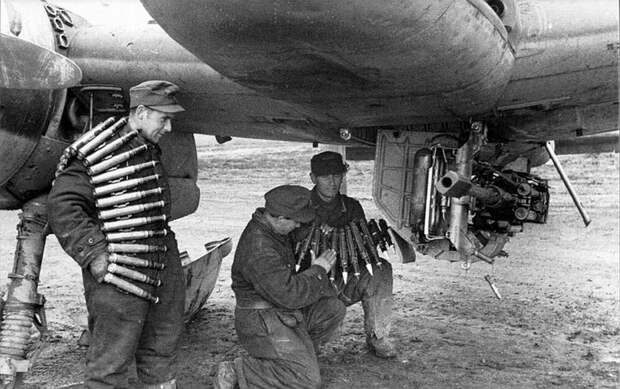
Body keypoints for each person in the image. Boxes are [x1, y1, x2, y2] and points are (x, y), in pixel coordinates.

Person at [48, 80, 186, 388]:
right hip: (119, 268)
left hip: (160, 260)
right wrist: (94, 253)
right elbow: (63, 204)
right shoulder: (97, 153)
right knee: (111, 362)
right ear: (140, 112)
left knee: (162, 345)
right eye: (164, 118)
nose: (169, 127)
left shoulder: (144, 147)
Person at [214, 185, 345, 389]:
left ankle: (297, 358)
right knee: (309, 380)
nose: (297, 226)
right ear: (281, 218)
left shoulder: (272, 227)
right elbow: (290, 295)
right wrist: (319, 269)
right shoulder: (259, 248)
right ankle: (240, 369)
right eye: (296, 221)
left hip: (279, 312)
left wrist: (318, 225)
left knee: (332, 309)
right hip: (261, 321)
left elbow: (298, 230)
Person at [307, 151, 396, 358]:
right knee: (309, 351)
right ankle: (310, 341)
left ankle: (378, 336)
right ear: (313, 178)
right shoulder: (301, 206)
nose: (332, 182)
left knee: (381, 269)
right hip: (311, 284)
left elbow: (361, 247)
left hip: (343, 278)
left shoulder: (352, 207)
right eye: (325, 177)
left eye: (337, 176)